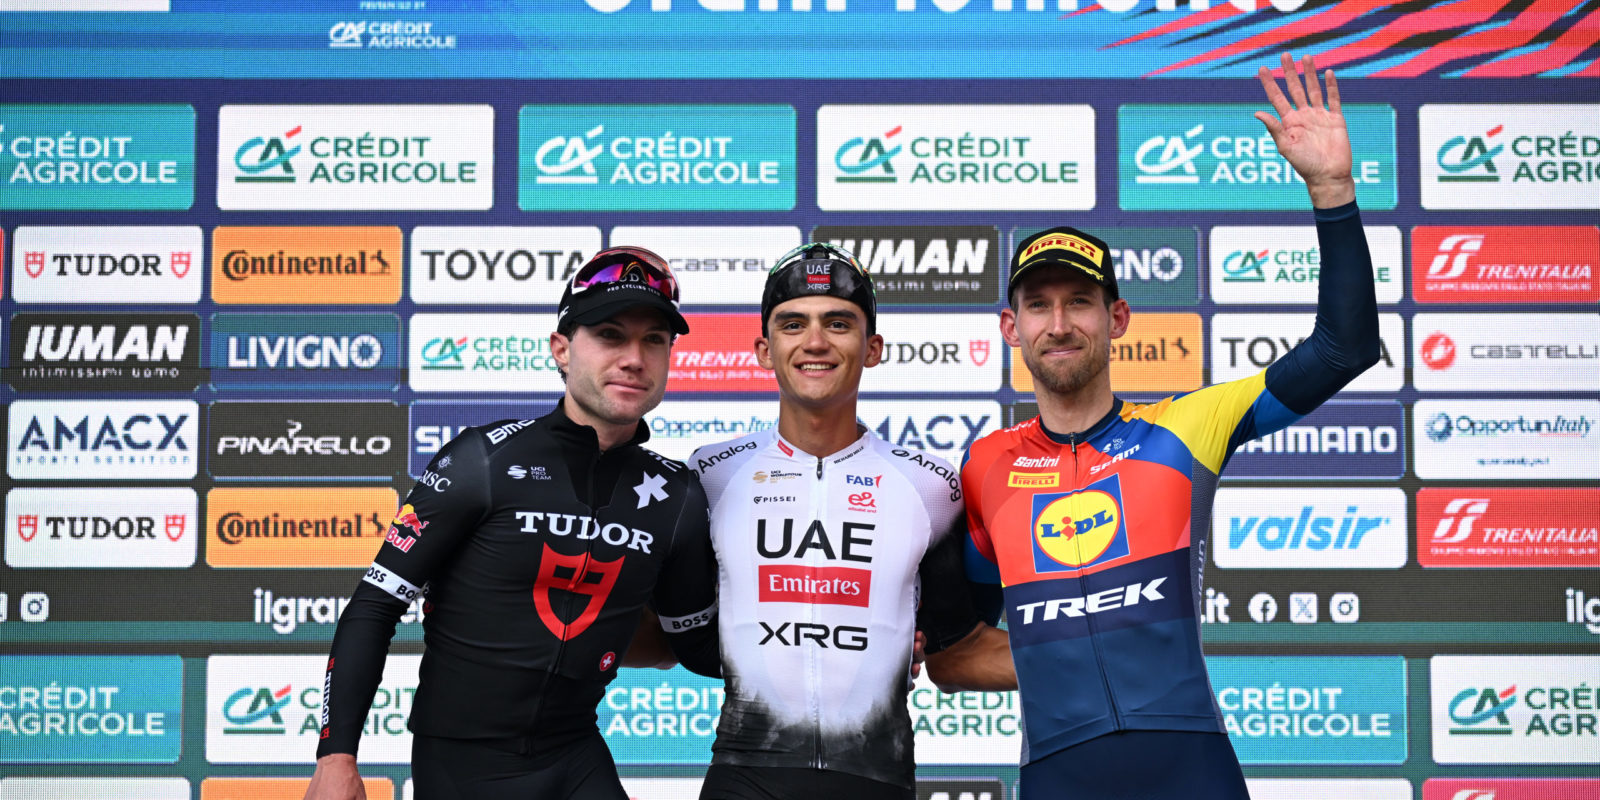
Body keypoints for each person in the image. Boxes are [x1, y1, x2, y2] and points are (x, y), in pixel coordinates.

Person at [959, 53, 1381, 799]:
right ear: (1010, 327)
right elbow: (954, 650)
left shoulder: (1187, 426)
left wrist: (1332, 192)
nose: (1060, 324)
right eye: (1039, 305)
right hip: (1059, 771)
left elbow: (1342, 349)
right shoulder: (985, 465)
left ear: (1117, 317)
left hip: (1190, 766)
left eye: (1080, 302)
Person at [303, 247, 721, 800]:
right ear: (561, 349)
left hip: (576, 755)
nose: (634, 358)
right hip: (462, 764)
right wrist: (336, 757)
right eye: (610, 335)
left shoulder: (679, 494)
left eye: (654, 341)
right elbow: (374, 606)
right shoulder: (482, 460)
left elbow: (695, 647)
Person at [688, 242, 1016, 800]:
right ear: (765, 350)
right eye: (793, 324)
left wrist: (1112, 651)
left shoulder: (931, 486)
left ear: (873, 348)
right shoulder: (710, 475)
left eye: (838, 323)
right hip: (744, 775)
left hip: (876, 777)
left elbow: (956, 649)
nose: (815, 341)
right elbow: (659, 629)